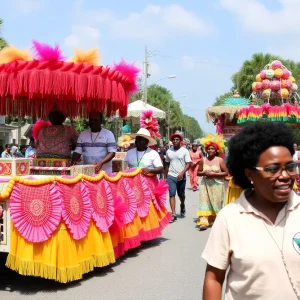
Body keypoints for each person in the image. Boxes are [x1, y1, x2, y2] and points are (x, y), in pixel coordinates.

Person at [202, 122, 300, 300]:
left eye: (290, 167)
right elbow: (214, 279)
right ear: (249, 175)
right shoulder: (230, 218)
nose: (285, 176)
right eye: (273, 169)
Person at [197, 134, 228, 230]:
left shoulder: (220, 160)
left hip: (217, 185)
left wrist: (213, 174)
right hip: (205, 185)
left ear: (216, 151)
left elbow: (226, 172)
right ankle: (204, 221)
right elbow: (198, 172)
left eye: (212, 149)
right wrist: (204, 173)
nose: (210, 150)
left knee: (217, 203)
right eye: (209, 149)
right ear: (206, 150)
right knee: (204, 202)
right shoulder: (203, 160)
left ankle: (218, 220)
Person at [165, 133, 191, 223]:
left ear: (180, 141)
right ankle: (173, 214)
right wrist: (166, 174)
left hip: (181, 176)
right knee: (172, 193)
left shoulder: (184, 151)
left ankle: (182, 204)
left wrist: (182, 173)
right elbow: (167, 163)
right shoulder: (169, 151)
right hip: (171, 176)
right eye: (174, 140)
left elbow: (188, 163)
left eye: (177, 139)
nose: (175, 141)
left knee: (181, 195)